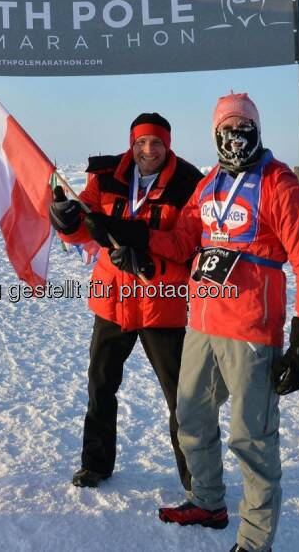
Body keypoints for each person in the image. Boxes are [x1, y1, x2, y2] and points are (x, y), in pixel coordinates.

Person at [85, 93, 299, 552]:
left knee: (250, 437)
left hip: (252, 330)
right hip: (202, 323)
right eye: (226, 127)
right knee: (191, 419)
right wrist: (137, 239)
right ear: (215, 133)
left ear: (256, 129)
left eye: (243, 126)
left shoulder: (279, 185)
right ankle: (209, 502)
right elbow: (180, 243)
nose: (235, 136)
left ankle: (255, 541)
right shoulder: (210, 183)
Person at [49, 113, 204, 491]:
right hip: (112, 301)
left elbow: (188, 250)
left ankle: (198, 479)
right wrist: (65, 221)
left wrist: (149, 261)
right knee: (100, 387)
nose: (147, 150)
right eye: (140, 143)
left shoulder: (189, 184)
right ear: (131, 143)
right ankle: (95, 465)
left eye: (155, 143)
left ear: (168, 144)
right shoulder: (104, 177)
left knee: (182, 398)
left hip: (161, 303)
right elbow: (85, 225)